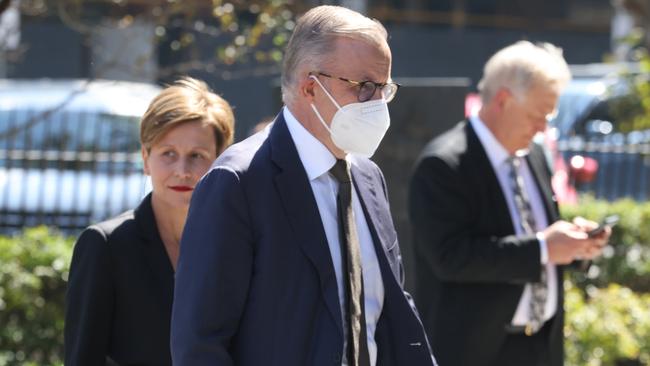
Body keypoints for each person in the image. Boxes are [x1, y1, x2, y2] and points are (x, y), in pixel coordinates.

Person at [171, 5, 436, 366]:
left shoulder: (368, 177)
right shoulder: (239, 183)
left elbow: (391, 309)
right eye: (365, 87)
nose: (377, 104)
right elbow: (200, 345)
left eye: (384, 88)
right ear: (311, 87)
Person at [408, 41, 611, 366]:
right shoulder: (445, 164)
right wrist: (544, 248)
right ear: (503, 101)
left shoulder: (535, 153)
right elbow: (450, 257)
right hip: (474, 352)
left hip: (541, 346)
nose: (544, 128)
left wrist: (573, 246)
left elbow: (533, 237)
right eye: (538, 115)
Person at [64, 77, 235, 366]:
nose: (182, 170)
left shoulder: (236, 245)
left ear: (219, 161)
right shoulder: (106, 247)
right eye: (168, 154)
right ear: (146, 158)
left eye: (197, 156)